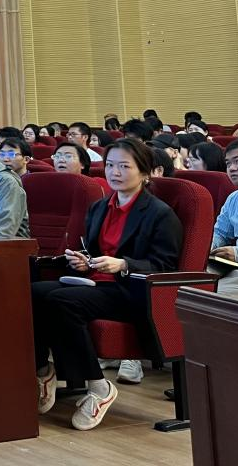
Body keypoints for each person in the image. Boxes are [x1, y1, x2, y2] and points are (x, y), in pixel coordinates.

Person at [31, 138, 182, 430]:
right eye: (110, 165)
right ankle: (44, 370)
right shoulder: (100, 207)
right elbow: (94, 251)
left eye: (124, 166)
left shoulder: (160, 214)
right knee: (32, 292)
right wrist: (83, 261)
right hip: (97, 283)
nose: (115, 172)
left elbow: (165, 266)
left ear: (145, 172)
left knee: (63, 301)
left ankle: (99, 387)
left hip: (132, 291)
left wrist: (124, 264)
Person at [211, 139, 238, 298]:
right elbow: (220, 233)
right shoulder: (234, 198)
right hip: (234, 265)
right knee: (190, 279)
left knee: (209, 294)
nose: (232, 168)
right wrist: (209, 247)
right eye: (228, 163)